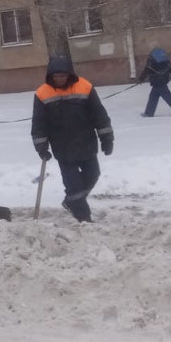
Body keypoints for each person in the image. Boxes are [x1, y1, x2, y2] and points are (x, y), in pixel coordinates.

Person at [32, 56, 114, 223]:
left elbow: (99, 114)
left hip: (86, 142)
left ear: (69, 74)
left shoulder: (85, 87)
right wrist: (41, 146)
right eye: (56, 76)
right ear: (50, 76)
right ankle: (84, 218)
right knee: (73, 185)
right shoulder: (42, 93)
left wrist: (107, 137)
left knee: (93, 175)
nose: (59, 79)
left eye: (62, 76)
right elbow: (39, 122)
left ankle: (71, 201)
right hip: (62, 147)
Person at [138, 48, 171, 118]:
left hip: (156, 83)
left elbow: (146, 71)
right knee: (155, 97)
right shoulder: (166, 62)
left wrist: (140, 79)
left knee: (166, 97)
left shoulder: (151, 62)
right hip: (163, 82)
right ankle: (149, 113)